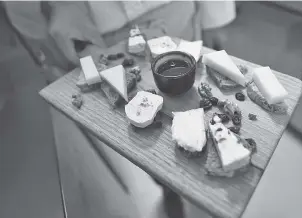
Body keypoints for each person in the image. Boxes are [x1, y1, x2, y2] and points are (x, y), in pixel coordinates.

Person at [4, 1, 237, 218]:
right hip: (100, 33)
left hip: (174, 12)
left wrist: (216, 15)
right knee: (149, 137)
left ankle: (208, 195)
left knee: (197, 117)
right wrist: (44, 22)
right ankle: (168, 187)